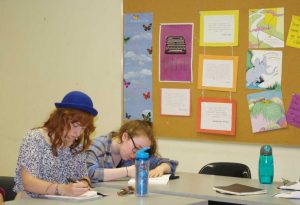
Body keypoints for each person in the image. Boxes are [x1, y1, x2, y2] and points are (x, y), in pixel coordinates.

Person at [13, 91, 98, 199]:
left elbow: (83, 175)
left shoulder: (76, 146)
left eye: (83, 128)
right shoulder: (35, 138)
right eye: (75, 125)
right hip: (31, 201)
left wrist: (83, 183)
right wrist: (62, 189)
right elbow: (28, 182)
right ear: (61, 118)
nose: (78, 133)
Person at [86, 120, 178, 182]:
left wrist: (160, 169)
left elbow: (169, 163)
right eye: (136, 148)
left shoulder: (133, 154)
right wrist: (127, 171)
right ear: (125, 137)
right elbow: (89, 173)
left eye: (141, 151)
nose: (135, 156)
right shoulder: (96, 146)